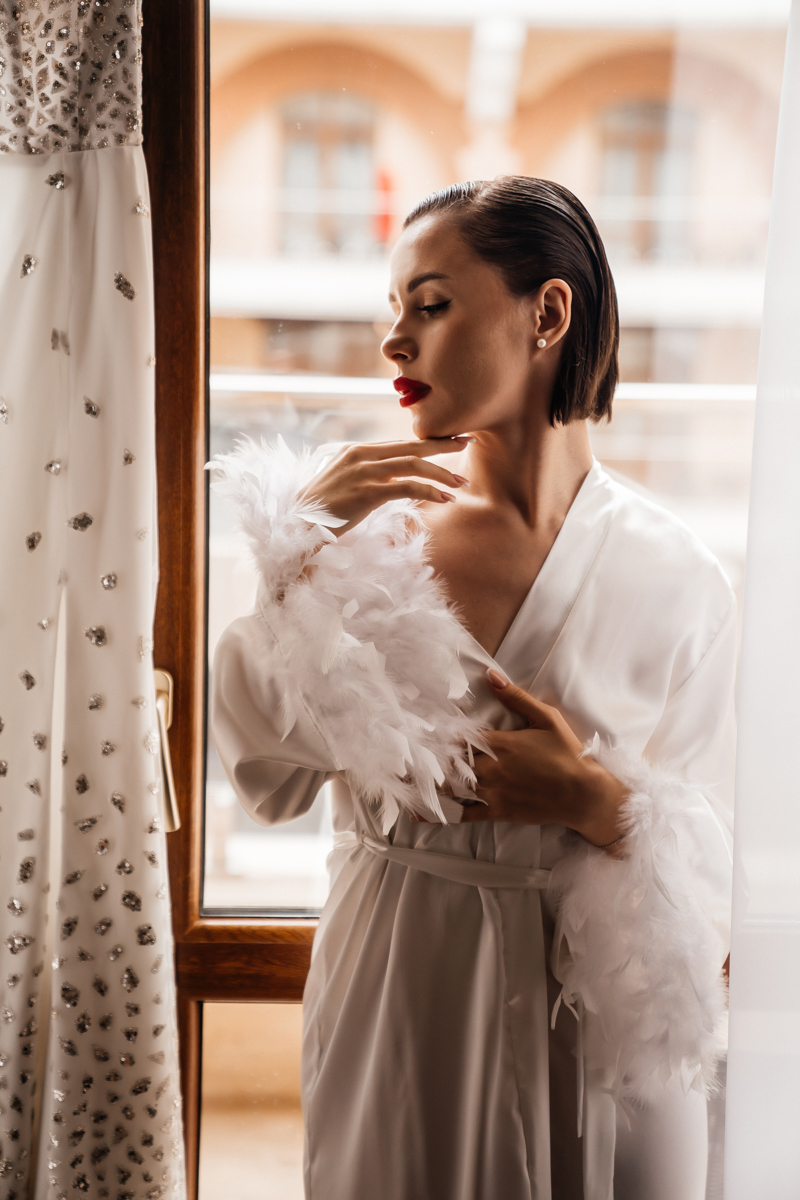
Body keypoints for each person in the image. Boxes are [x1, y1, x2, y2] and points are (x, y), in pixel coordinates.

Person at [210, 178, 735, 1200]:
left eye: (432, 303)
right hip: (399, 990)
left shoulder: (682, 578)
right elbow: (263, 766)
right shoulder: (369, 546)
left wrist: (597, 801)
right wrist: (293, 558)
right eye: (393, 309)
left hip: (592, 1026)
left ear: (547, 313)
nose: (393, 340)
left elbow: (727, 868)